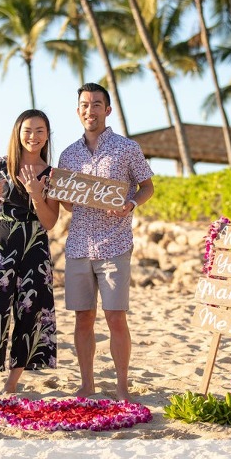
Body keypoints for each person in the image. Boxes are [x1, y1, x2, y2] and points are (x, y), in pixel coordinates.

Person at [58, 83, 154, 401]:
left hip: (115, 243)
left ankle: (122, 386)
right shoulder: (68, 154)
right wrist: (60, 194)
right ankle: (88, 385)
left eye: (97, 104)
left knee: (115, 317)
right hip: (78, 246)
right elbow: (68, 205)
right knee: (83, 317)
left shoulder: (127, 148)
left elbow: (147, 187)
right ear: (78, 111)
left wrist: (131, 204)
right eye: (85, 105)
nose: (90, 110)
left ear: (107, 110)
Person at [0, 109, 60, 394]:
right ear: (17, 133)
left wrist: (35, 193)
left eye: (40, 131)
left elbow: (50, 222)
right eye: (27, 131)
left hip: (35, 246)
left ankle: (11, 385)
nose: (33, 137)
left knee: (30, 311)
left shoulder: (52, 174)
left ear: (47, 136)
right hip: (1, 244)